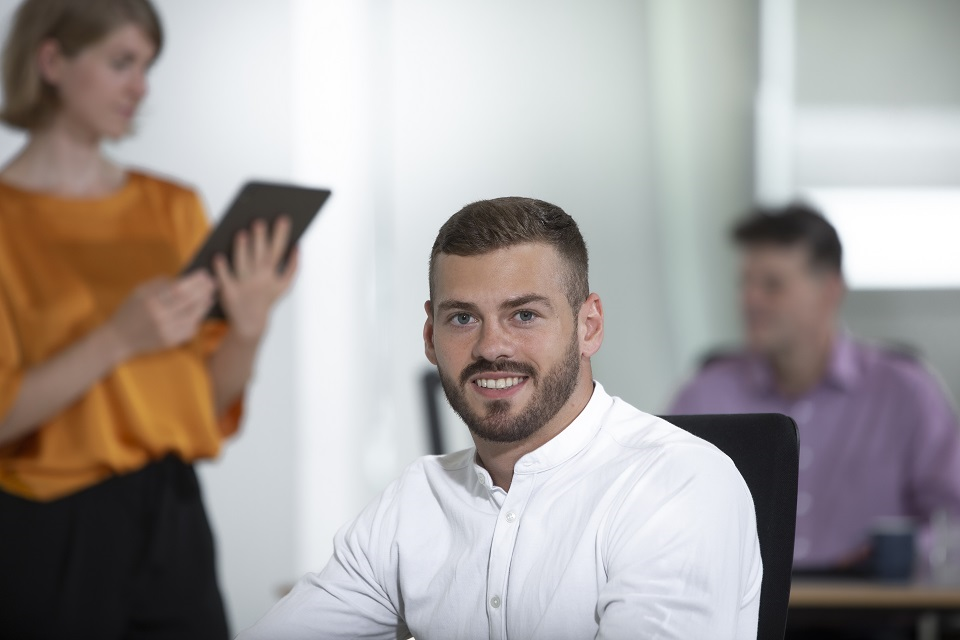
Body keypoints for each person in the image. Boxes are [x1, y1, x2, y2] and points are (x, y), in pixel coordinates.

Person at [238, 197, 762, 640]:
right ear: (430, 338)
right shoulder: (416, 500)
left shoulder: (678, 483)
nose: (491, 347)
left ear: (589, 326)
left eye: (525, 315)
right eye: (463, 318)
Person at [0, 1, 297, 638]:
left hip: (174, 516)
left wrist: (249, 324)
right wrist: (117, 338)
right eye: (121, 63)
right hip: (48, 531)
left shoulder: (173, 207)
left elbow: (208, 405)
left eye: (147, 66)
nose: (141, 87)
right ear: (51, 60)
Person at [668, 203, 960, 573]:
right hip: (742, 618)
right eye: (746, 283)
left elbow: (954, 518)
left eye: (772, 285)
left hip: (873, 617)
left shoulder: (906, 391)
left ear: (829, 291)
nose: (750, 299)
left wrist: (898, 554)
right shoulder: (704, 392)